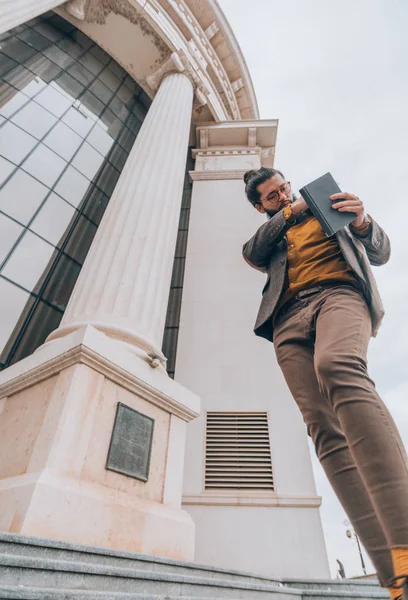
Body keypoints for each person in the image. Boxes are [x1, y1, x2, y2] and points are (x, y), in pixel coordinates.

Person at [242, 167, 408, 599]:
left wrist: (363, 222)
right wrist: (287, 214)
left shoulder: (326, 209)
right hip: (286, 320)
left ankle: (406, 539)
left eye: (284, 188)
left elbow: (382, 251)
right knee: (321, 425)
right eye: (272, 197)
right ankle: (394, 577)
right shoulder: (272, 235)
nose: (283, 195)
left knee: (337, 366)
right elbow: (251, 250)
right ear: (261, 206)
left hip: (339, 294)